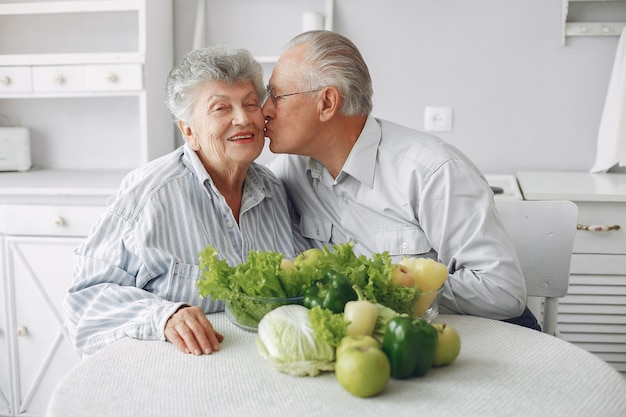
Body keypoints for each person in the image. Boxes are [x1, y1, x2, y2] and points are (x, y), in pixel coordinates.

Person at [264, 30, 539, 329]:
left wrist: (389, 288)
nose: (265, 110)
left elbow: (502, 291)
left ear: (327, 103)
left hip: (481, 334)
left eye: (276, 96)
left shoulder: (432, 170)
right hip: (381, 343)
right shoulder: (288, 171)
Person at [63, 45, 309, 356]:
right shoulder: (149, 195)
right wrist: (163, 316)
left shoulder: (274, 191)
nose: (242, 119)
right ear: (189, 130)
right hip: (172, 381)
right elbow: (83, 303)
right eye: (221, 108)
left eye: (250, 104)